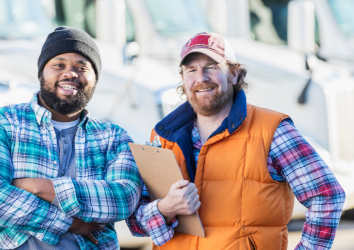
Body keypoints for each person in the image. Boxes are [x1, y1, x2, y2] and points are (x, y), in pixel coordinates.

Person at [126, 32, 346, 249]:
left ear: (234, 73)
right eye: (191, 70)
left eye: (211, 67)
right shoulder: (162, 137)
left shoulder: (272, 131)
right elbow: (136, 223)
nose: (201, 77)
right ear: (183, 79)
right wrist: (165, 208)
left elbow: (327, 196)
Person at [0, 26, 141, 250]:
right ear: (41, 73)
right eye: (59, 65)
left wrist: (38, 187)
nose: (70, 73)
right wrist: (68, 223)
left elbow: (123, 199)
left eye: (82, 67)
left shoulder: (114, 138)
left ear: (95, 79)